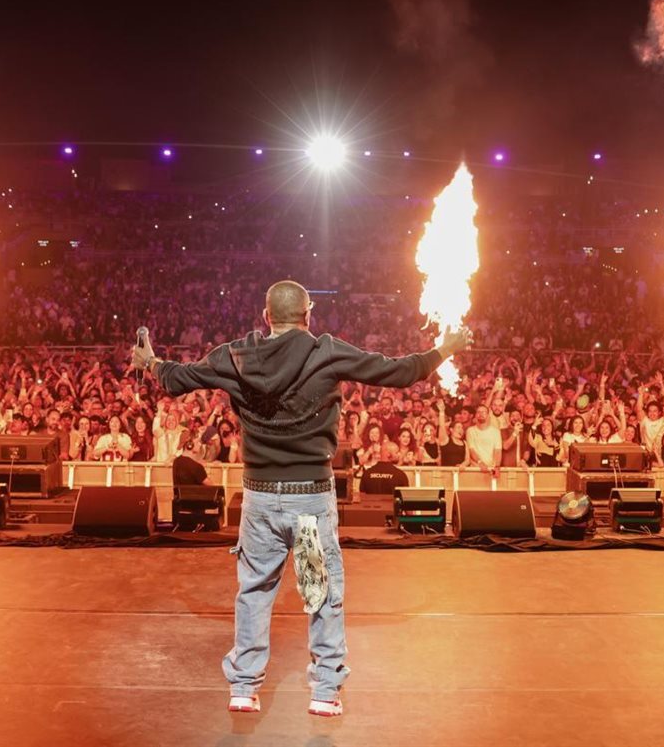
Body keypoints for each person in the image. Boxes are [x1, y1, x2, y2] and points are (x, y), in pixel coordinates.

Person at [132, 280, 471, 718]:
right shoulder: (324, 352)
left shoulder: (235, 355)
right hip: (309, 502)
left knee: (255, 591)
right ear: (308, 315)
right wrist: (445, 349)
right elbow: (399, 372)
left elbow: (178, 379)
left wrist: (150, 361)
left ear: (266, 316)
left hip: (260, 501)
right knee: (318, 592)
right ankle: (325, 692)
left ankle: (244, 687)